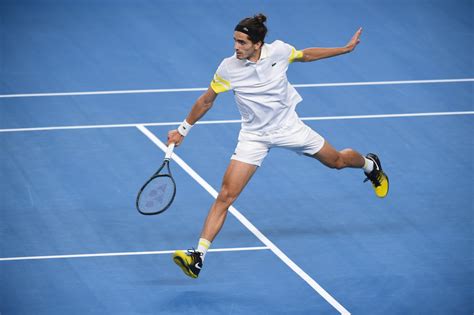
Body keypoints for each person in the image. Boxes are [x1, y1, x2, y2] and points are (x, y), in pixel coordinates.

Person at [168, 13, 389, 279]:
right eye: (235, 41)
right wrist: (183, 129)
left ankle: (370, 164)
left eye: (242, 42)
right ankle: (198, 257)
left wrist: (344, 49)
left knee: (337, 162)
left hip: (290, 128)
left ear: (258, 43)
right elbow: (206, 100)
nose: (236, 47)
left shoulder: (280, 51)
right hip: (254, 136)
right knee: (226, 196)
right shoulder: (228, 68)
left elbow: (305, 55)